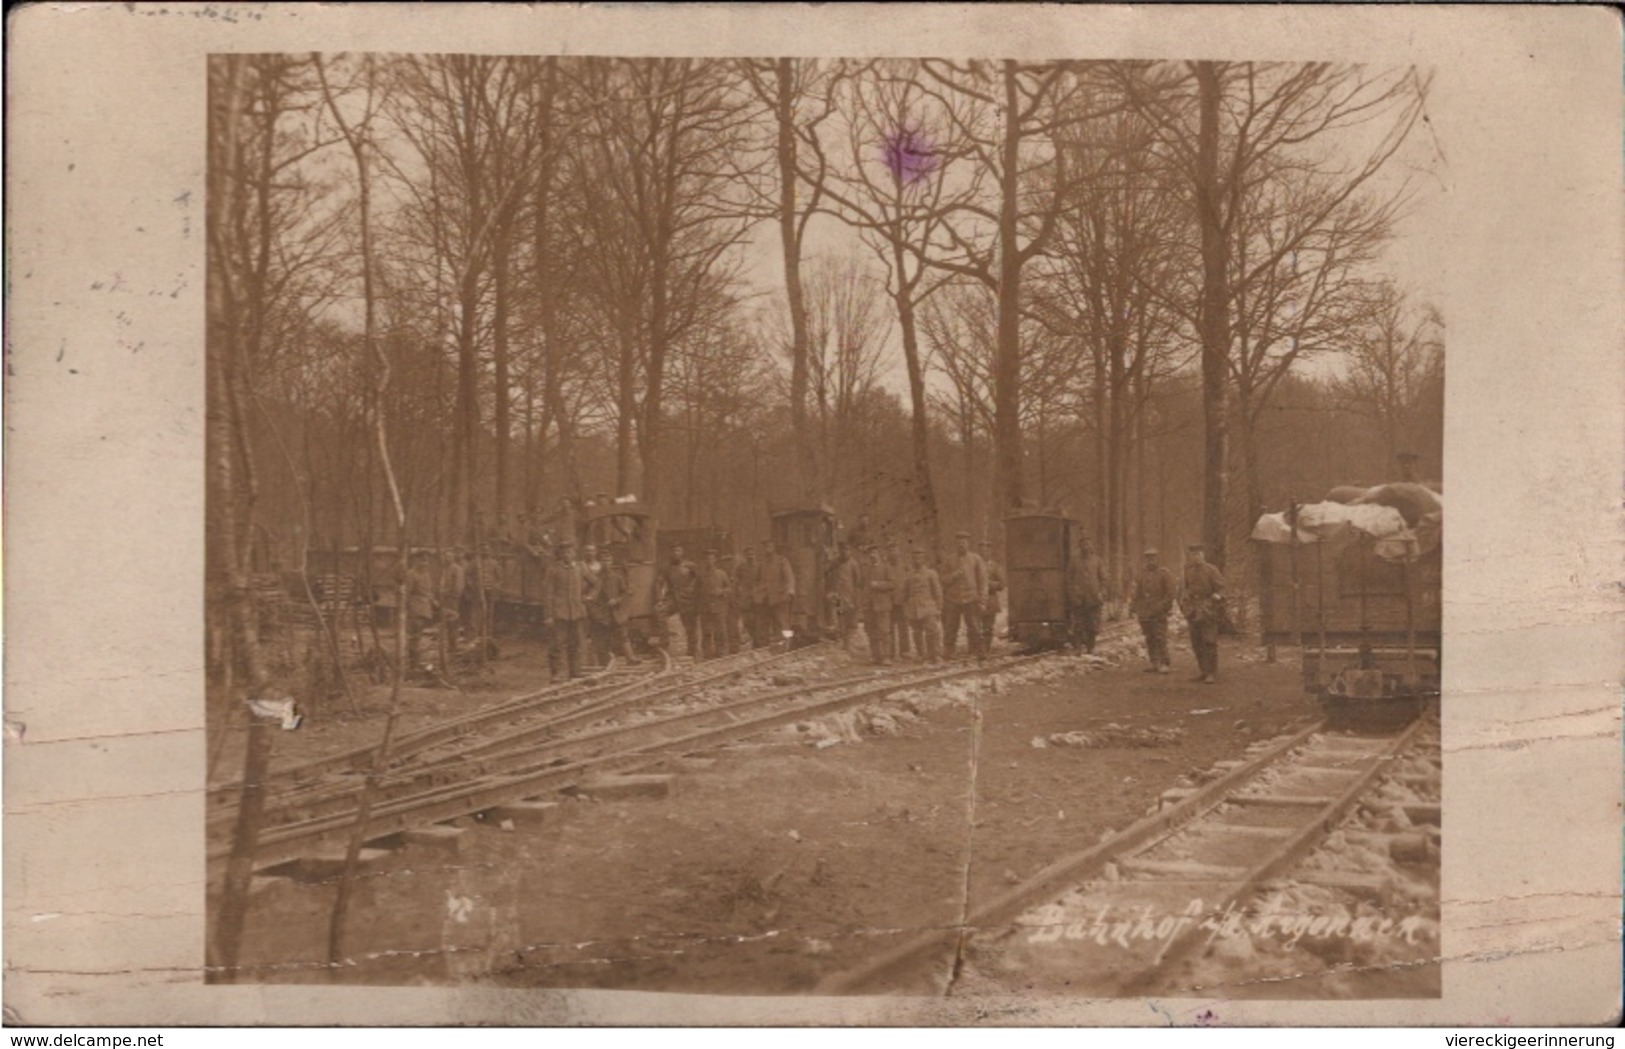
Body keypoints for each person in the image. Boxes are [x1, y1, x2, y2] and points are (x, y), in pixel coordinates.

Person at [1180, 544, 1226, 684]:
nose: (1196, 557)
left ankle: (1211, 672)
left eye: (1199, 554)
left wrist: (1217, 597)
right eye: (1193, 555)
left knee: (1209, 641)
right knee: (1196, 642)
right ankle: (1203, 671)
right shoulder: (1188, 571)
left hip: (1208, 609)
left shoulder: (1211, 570)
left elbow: (1221, 588)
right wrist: (1184, 605)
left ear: (1203, 555)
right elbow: (1184, 590)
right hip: (1193, 610)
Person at [542, 541, 586, 680]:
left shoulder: (579, 568)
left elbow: (595, 582)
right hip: (559, 613)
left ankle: (575, 672)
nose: (567, 554)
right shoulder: (553, 570)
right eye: (564, 552)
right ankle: (558, 673)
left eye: (570, 551)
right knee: (557, 644)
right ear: (560, 554)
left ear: (574, 553)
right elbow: (547, 594)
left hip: (576, 612)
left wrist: (588, 596)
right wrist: (548, 615)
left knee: (576, 643)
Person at [941, 531, 988, 660]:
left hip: (971, 598)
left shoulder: (976, 559)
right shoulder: (949, 560)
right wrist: (953, 576)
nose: (961, 545)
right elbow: (943, 580)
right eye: (959, 543)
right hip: (953, 599)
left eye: (964, 542)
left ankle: (979, 652)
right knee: (951, 627)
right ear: (955, 544)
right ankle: (949, 652)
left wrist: (982, 600)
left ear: (968, 544)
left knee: (974, 626)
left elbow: (983, 581)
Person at [1131, 548, 1176, 673]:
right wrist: (1134, 607)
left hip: (1158, 611)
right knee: (1149, 637)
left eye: (1153, 558)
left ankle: (1164, 662)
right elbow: (1137, 592)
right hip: (1145, 611)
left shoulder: (1164, 574)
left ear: (1157, 559)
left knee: (1160, 636)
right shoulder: (1142, 574)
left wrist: (1163, 607)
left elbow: (1170, 593)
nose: (1150, 561)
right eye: (1148, 559)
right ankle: (1154, 662)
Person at [591, 551, 637, 666]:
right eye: (604, 560)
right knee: (602, 638)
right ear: (600, 562)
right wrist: (596, 610)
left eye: (608, 560)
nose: (606, 563)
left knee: (623, 635)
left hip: (616, 612)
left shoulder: (617, 577)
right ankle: (604, 662)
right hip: (602, 612)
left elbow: (625, 592)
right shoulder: (594, 578)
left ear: (611, 562)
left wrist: (616, 600)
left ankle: (630, 658)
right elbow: (590, 596)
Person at [902, 546, 944, 663]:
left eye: (919, 558)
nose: (917, 561)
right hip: (913, 608)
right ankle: (922, 654)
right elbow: (904, 593)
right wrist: (905, 607)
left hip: (928, 607)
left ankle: (935, 654)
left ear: (923, 559)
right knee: (917, 633)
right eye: (914, 558)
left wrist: (939, 608)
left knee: (932, 631)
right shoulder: (908, 575)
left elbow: (938, 592)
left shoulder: (931, 573)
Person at [659, 544, 700, 659]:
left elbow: (699, 581)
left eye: (678, 550)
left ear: (682, 552)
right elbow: (659, 582)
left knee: (690, 626)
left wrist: (692, 591)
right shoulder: (666, 567)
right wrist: (659, 599)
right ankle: (665, 643)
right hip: (672, 597)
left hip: (688, 599)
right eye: (674, 551)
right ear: (671, 553)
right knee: (660, 611)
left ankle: (693, 651)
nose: (676, 553)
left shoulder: (690, 566)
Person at [1069, 535, 1108, 653]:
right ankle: (1078, 648)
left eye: (1088, 544)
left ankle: (1091, 648)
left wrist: (1101, 592)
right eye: (1083, 544)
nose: (1085, 547)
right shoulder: (1074, 561)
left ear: (1091, 546)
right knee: (1078, 625)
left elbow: (1104, 579)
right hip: (1079, 599)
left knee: (1093, 625)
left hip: (1094, 599)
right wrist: (1074, 594)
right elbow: (1069, 579)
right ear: (1080, 546)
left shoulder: (1097, 560)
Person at [404, 551, 439, 672]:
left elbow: (428, 592)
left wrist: (434, 601)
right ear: (416, 561)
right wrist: (408, 608)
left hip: (425, 607)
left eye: (426, 560)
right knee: (415, 635)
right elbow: (407, 593)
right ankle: (413, 662)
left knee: (419, 635)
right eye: (422, 560)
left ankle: (416, 661)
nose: (425, 563)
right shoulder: (411, 574)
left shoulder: (426, 575)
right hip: (415, 607)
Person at [859, 546, 894, 665]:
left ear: (879, 554)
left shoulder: (886, 568)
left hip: (882, 605)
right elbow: (862, 587)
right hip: (869, 606)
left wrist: (878, 585)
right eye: (870, 554)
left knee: (884, 631)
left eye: (874, 553)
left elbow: (892, 584)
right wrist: (863, 602)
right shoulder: (866, 570)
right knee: (871, 631)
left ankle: (886, 657)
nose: (872, 555)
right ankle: (876, 656)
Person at [696, 550, 733, 660]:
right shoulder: (701, 575)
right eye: (707, 559)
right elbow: (696, 591)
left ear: (715, 560)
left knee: (720, 631)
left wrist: (721, 591)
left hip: (719, 607)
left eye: (711, 558)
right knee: (706, 632)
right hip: (705, 608)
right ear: (704, 561)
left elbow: (730, 588)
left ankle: (721, 653)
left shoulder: (722, 573)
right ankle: (707, 654)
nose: (709, 561)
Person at [761, 539, 796, 641]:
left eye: (769, 546)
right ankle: (776, 643)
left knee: (783, 621)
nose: (767, 549)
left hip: (780, 596)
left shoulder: (782, 561)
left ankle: (788, 641)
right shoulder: (763, 563)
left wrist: (790, 590)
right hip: (767, 598)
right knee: (771, 622)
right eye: (765, 547)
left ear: (773, 548)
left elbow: (789, 577)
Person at [579, 543, 605, 668]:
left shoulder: (601, 565)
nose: (590, 553)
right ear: (584, 552)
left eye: (592, 551)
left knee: (600, 629)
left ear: (596, 552)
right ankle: (589, 661)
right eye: (587, 551)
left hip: (600, 602)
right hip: (584, 601)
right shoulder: (580, 566)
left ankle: (601, 658)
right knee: (585, 631)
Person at [834, 544, 862, 654]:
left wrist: (856, 598)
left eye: (846, 550)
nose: (844, 552)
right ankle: (843, 643)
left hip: (850, 597)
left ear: (849, 551)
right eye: (842, 550)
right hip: (839, 598)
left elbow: (858, 582)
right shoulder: (836, 563)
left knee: (850, 622)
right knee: (841, 620)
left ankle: (848, 644)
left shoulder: (853, 564)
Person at [887, 542, 912, 659]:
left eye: (895, 550)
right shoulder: (885, 567)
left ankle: (905, 651)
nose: (893, 553)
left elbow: (910, 581)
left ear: (899, 552)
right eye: (890, 551)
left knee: (903, 626)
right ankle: (892, 652)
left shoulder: (905, 566)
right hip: (889, 601)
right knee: (890, 627)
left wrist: (905, 596)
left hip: (902, 601)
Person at [733, 546, 762, 648]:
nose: (750, 556)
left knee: (758, 621)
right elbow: (737, 581)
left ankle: (758, 644)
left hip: (758, 598)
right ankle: (752, 641)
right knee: (748, 621)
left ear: (755, 555)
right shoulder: (742, 567)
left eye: (752, 554)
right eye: (748, 554)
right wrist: (739, 592)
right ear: (745, 556)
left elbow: (762, 581)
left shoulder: (759, 566)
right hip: (745, 598)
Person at [979, 539, 1005, 652]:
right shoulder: (974, 565)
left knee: (988, 626)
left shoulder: (995, 566)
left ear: (990, 552)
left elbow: (1002, 584)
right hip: (976, 599)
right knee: (974, 626)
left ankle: (986, 648)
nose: (984, 553)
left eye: (986, 550)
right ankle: (975, 648)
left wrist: (989, 585)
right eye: (982, 550)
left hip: (990, 599)